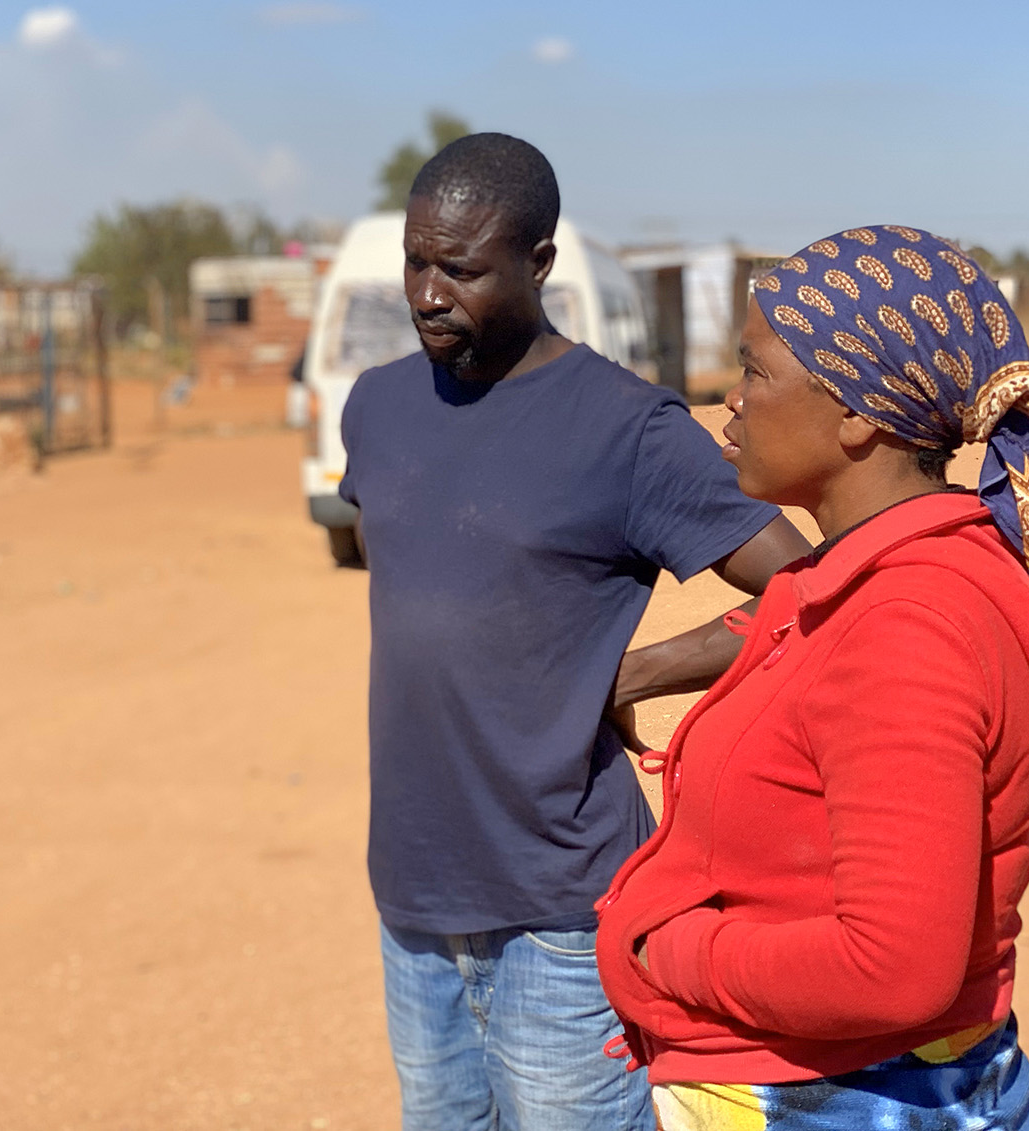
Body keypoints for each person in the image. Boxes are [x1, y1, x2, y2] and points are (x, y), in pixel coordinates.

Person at [594, 226, 1029, 1130]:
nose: (730, 404)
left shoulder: (905, 629)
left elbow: (892, 969)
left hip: (841, 1095)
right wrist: (647, 670)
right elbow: (790, 630)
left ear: (857, 414)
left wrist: (662, 949)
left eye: (756, 372)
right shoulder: (884, 575)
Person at [336, 133, 810, 1130]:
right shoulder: (377, 407)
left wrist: (634, 673)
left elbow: (810, 587)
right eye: (416, 261)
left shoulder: (626, 428)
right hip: (415, 899)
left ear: (537, 264)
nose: (427, 292)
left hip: (561, 908)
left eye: (459, 270)